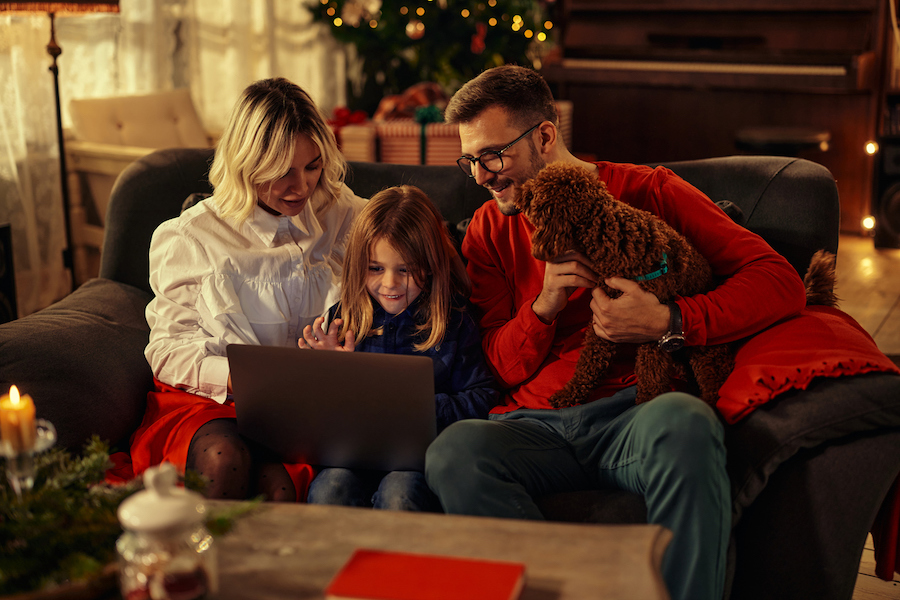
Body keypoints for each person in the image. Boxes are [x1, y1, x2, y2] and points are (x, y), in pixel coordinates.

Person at [423, 65, 807, 600]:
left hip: (637, 412)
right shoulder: (489, 230)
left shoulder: (649, 190)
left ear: (545, 135)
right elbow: (494, 364)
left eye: (492, 155)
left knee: (687, 421)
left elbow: (779, 281)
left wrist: (670, 322)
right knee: (454, 451)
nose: (482, 176)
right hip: (537, 424)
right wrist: (543, 307)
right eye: (470, 162)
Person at [130, 77, 367, 502]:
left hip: (307, 404)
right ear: (245, 166)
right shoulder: (191, 236)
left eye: (312, 166)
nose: (302, 188)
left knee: (278, 490)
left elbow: (409, 253)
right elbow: (167, 350)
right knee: (223, 458)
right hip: (212, 400)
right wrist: (243, 380)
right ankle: (203, 567)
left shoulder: (342, 212)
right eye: (281, 174)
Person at [298, 185, 498, 511]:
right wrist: (329, 374)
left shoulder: (454, 320)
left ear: (431, 264)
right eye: (375, 268)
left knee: (399, 493)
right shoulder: (342, 319)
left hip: (416, 459)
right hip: (353, 456)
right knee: (329, 489)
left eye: (404, 269)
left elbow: (482, 396)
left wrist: (417, 409)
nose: (390, 284)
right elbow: (311, 413)